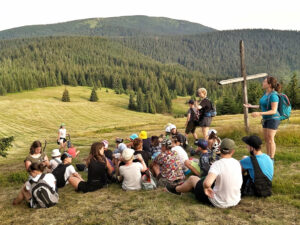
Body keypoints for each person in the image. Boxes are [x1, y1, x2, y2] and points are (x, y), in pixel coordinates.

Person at [167, 138, 243, 209]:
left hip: (219, 202)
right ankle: (189, 188)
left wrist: (206, 188)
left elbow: (207, 183)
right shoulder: (237, 163)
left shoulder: (217, 164)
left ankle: (176, 189)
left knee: (192, 179)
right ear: (233, 151)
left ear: (220, 149)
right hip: (235, 200)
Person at [244, 76, 281, 160]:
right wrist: (250, 106)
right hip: (266, 119)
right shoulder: (265, 94)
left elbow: (274, 110)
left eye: (264, 82)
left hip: (273, 119)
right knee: (267, 139)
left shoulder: (274, 95)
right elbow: (262, 106)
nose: (262, 83)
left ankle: (271, 159)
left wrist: (259, 113)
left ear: (269, 84)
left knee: (271, 139)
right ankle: (268, 157)